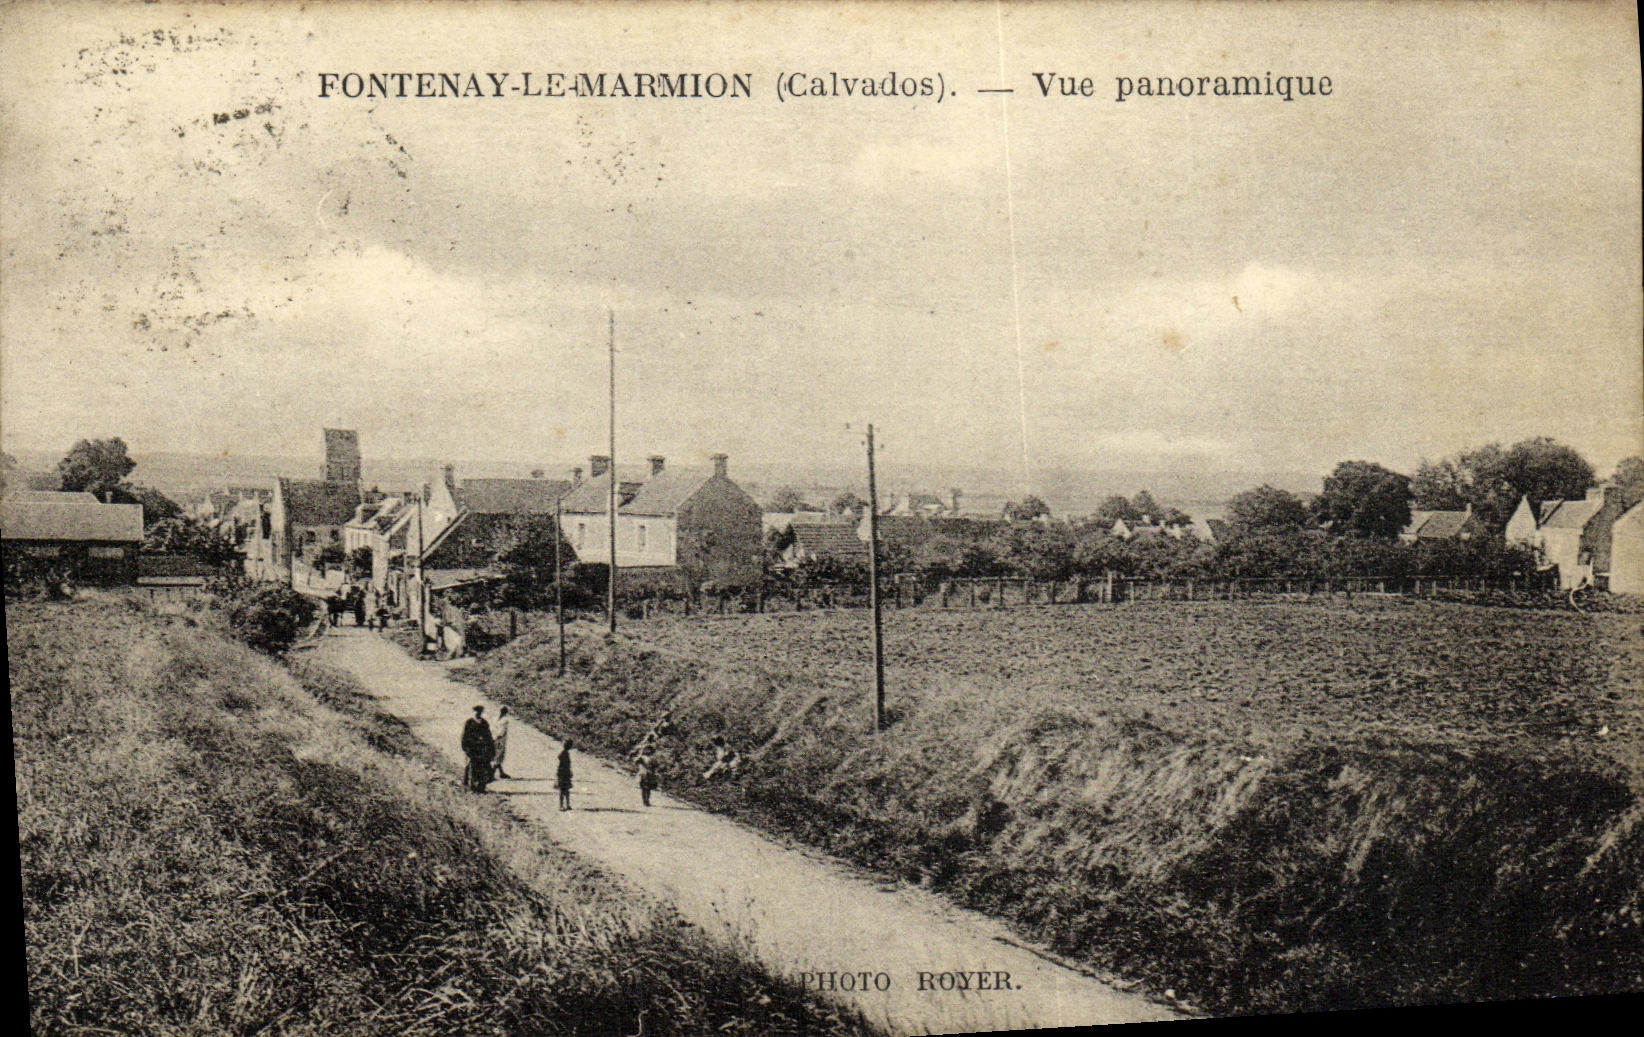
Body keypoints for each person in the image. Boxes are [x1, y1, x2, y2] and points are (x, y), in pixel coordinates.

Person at [461, 705, 494, 793]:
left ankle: (481, 787)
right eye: (476, 711)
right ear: (474, 712)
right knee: (472, 767)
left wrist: (491, 749)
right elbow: (465, 736)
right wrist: (466, 748)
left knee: (482, 768)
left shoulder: (484, 723)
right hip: (472, 749)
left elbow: (489, 737)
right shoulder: (469, 723)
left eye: (480, 712)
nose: (478, 713)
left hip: (482, 750)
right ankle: (471, 787)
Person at [491, 705, 513, 780]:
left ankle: (492, 774)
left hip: (500, 739)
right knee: (496, 755)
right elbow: (492, 728)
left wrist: (496, 736)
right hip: (494, 738)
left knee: (498, 755)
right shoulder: (495, 718)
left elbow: (501, 731)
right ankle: (500, 773)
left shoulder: (505, 720)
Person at [556, 741, 575, 811]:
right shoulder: (564, 754)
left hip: (565, 774)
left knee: (565, 790)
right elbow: (563, 765)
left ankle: (567, 805)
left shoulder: (565, 753)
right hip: (563, 774)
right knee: (563, 790)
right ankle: (562, 805)